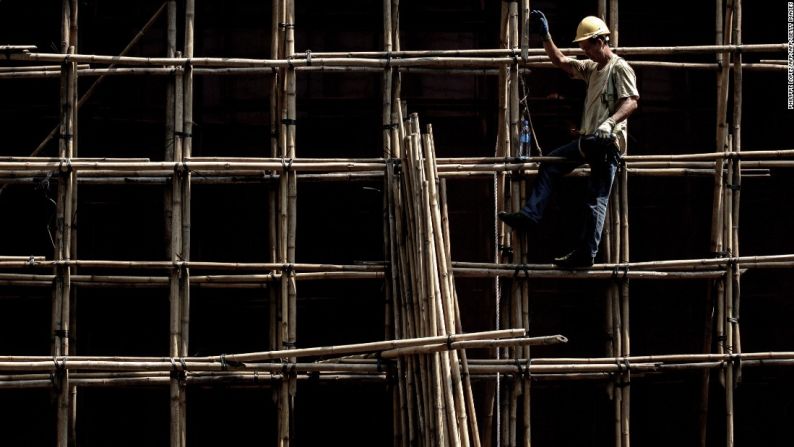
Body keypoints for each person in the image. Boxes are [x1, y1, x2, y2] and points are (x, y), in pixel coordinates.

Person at [498, 11, 639, 268]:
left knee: (595, 199)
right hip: (590, 142)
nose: (585, 53)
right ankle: (531, 215)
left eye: (587, 47)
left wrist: (610, 122)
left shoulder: (620, 68)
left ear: (600, 41)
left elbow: (630, 102)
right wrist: (546, 36)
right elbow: (561, 60)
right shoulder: (592, 68)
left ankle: (586, 254)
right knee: (551, 164)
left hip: (607, 144)